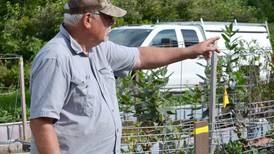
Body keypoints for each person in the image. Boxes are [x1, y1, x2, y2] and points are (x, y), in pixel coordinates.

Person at [29, 0, 219, 153]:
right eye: (107, 18)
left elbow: (141, 56)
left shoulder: (99, 50)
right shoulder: (55, 58)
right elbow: (42, 124)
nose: (112, 23)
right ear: (87, 19)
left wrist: (192, 50)